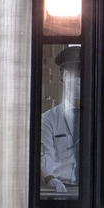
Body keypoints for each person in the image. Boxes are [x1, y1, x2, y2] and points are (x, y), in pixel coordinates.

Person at [40, 45, 83, 197]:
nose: (77, 80)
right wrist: (50, 178)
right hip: (61, 191)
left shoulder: (103, 119)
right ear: (61, 78)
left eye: (81, 75)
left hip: (93, 190)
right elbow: (46, 155)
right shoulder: (48, 119)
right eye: (71, 74)